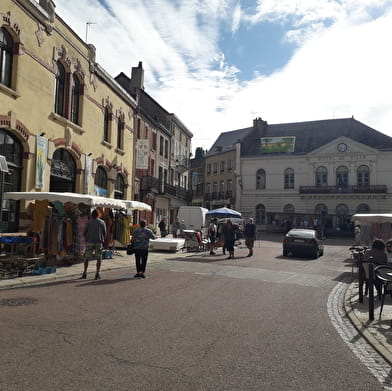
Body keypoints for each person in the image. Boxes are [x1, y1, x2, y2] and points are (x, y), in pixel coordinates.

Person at [81, 209, 107, 280]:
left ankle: (85, 272)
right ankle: (97, 273)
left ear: (92, 214)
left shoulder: (88, 222)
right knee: (99, 258)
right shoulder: (102, 222)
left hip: (90, 241)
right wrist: (103, 239)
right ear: (99, 214)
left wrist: (86, 238)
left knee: (87, 257)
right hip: (99, 241)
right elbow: (105, 233)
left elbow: (84, 232)